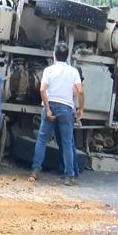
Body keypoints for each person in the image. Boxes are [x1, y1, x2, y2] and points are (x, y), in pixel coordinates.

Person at [31, 42, 84, 186]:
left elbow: (42, 90)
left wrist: (48, 108)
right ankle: (69, 176)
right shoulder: (73, 71)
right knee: (67, 143)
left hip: (51, 105)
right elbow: (80, 91)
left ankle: (35, 171)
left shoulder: (48, 70)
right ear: (67, 56)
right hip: (66, 108)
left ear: (54, 55)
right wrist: (81, 109)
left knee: (42, 139)